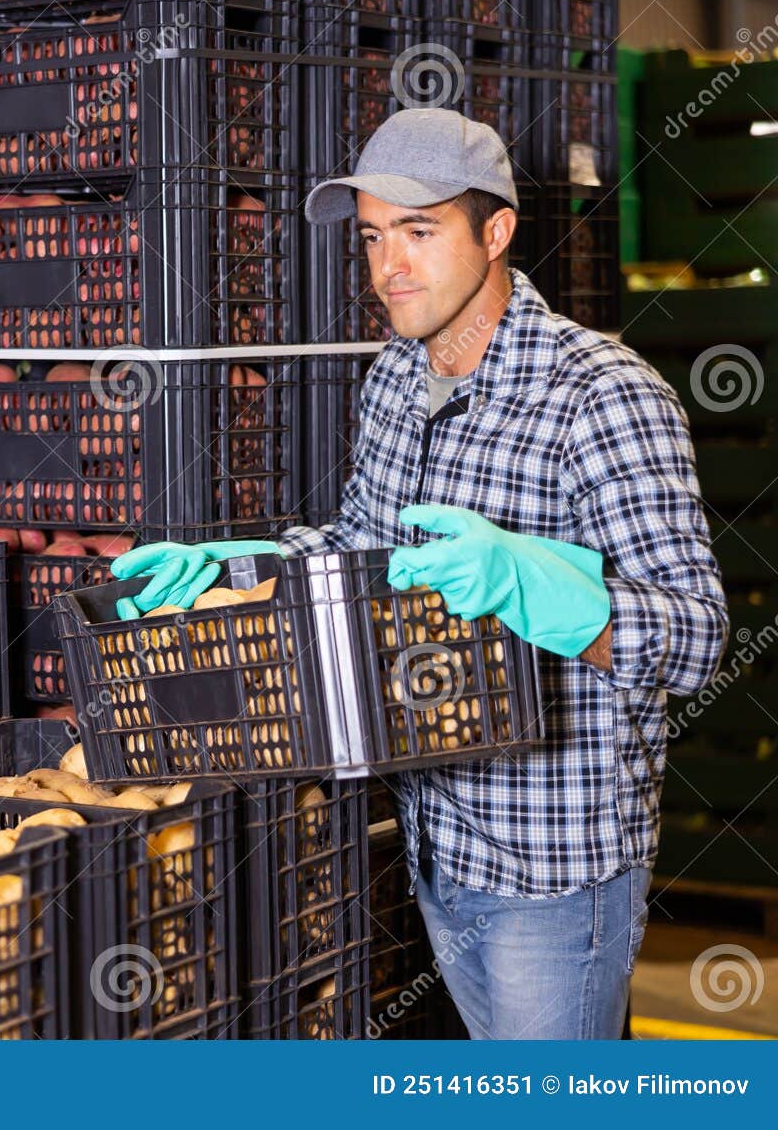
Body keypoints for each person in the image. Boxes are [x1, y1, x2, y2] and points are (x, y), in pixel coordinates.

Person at [111, 108, 727, 1039]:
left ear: (497, 232)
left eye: (419, 230)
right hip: (433, 839)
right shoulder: (395, 377)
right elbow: (363, 559)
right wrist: (233, 565)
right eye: (371, 236)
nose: (388, 264)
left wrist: (544, 589)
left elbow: (698, 640)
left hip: (553, 868)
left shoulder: (604, 393)